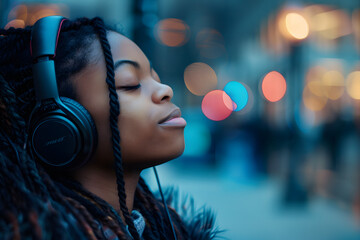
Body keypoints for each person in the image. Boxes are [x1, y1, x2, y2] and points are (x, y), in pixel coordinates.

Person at [0, 16, 221, 239]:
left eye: (155, 78)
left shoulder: (165, 229)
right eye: (131, 85)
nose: (165, 90)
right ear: (58, 125)